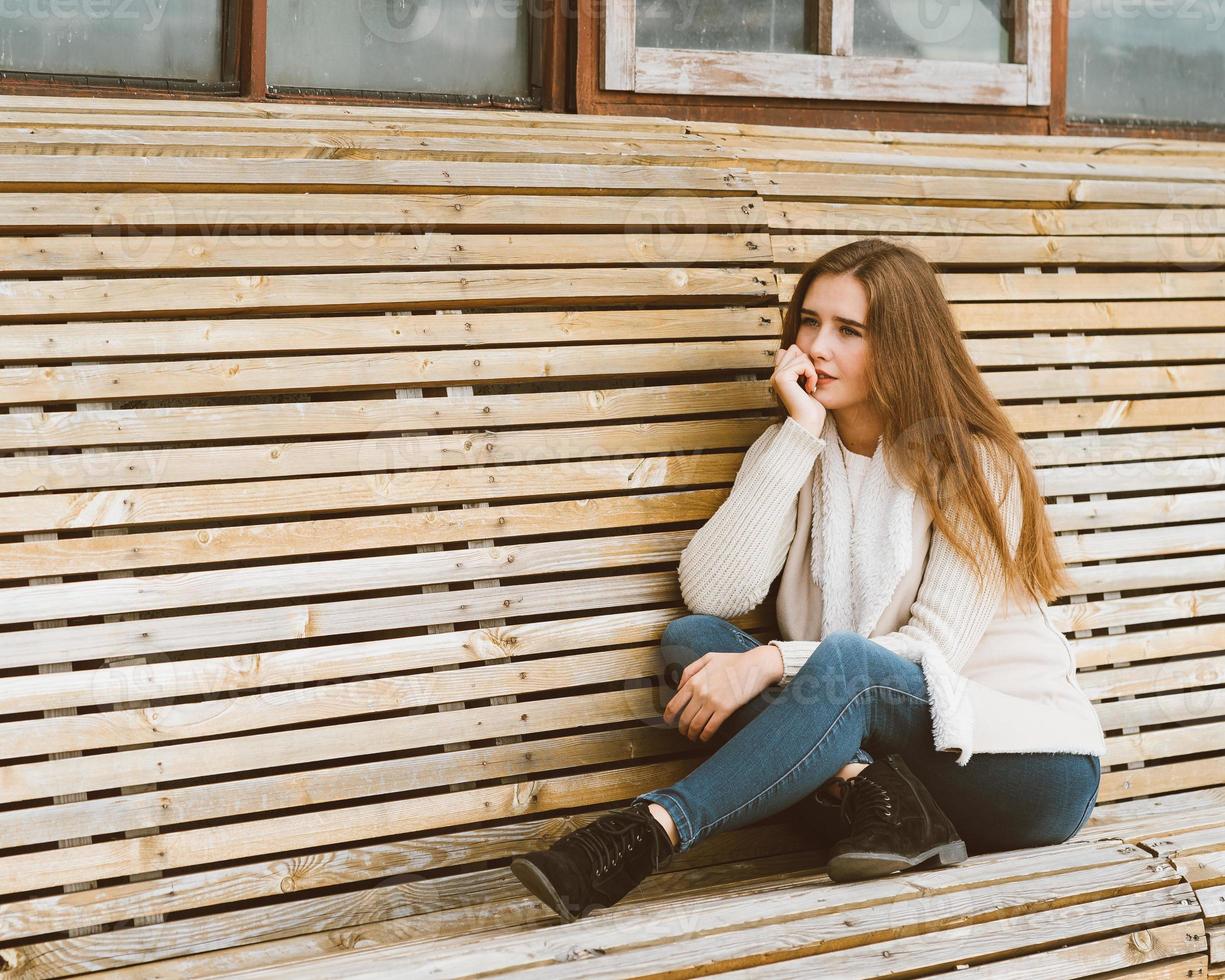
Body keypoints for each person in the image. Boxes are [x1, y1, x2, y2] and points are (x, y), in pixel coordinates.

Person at [510, 237, 1106, 924]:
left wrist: (769, 662)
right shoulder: (797, 449)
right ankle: (873, 797)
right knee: (693, 641)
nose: (817, 348)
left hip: (1025, 763)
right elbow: (713, 593)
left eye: (848, 331)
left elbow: (928, 648)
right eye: (809, 322)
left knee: (845, 662)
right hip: (897, 776)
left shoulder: (975, 462)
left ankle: (644, 835)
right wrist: (796, 437)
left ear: (902, 346)